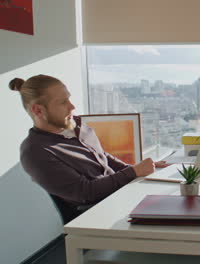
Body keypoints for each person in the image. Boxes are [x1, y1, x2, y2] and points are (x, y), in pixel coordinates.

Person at [9, 74, 169, 218]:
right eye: (63, 102)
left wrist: (139, 170)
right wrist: (134, 172)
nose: (72, 107)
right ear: (38, 110)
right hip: (100, 213)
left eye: (69, 99)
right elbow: (85, 193)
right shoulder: (35, 152)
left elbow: (103, 158)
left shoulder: (76, 125)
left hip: (120, 196)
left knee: (176, 193)